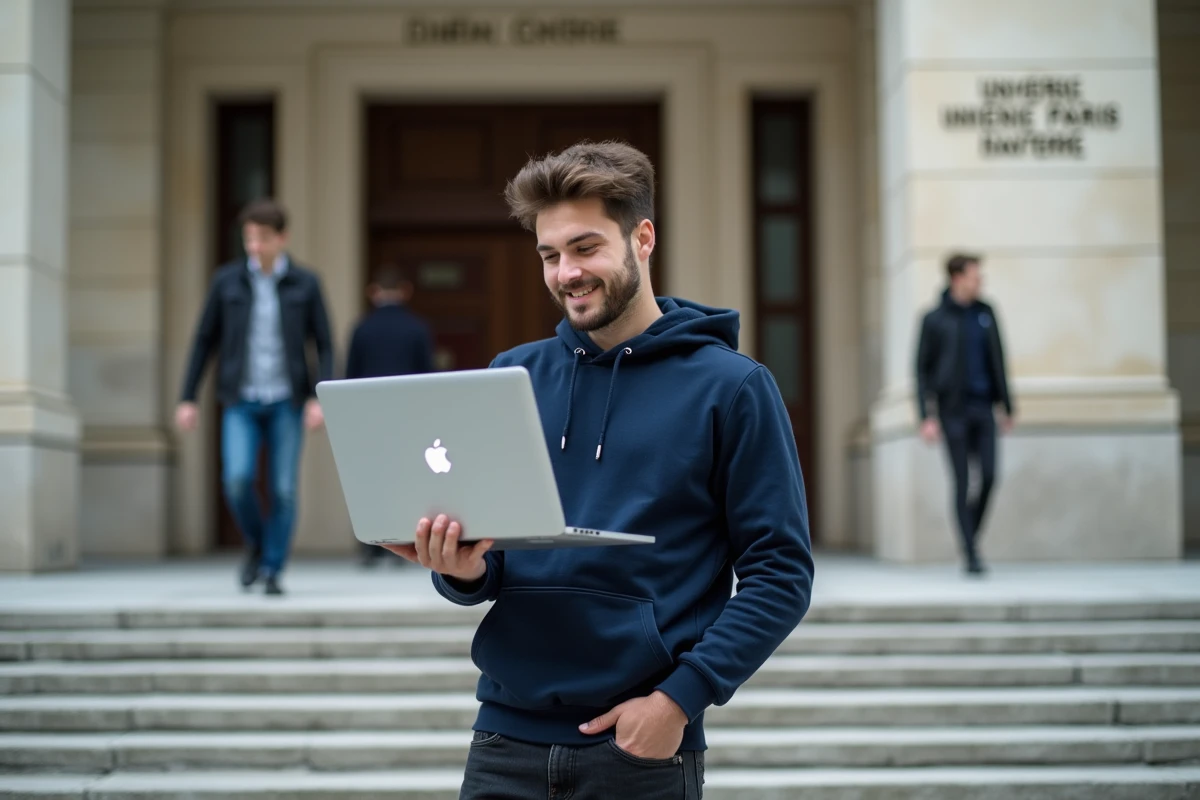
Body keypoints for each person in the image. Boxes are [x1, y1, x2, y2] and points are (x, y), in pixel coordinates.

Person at [383, 141, 814, 800]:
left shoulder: (732, 388)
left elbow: (780, 572)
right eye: (550, 256)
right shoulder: (510, 378)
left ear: (642, 238)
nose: (565, 273)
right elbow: (495, 560)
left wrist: (678, 702)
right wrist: (461, 567)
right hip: (504, 738)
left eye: (585, 248)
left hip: (639, 749)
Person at [175, 198, 334, 596]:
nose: (255, 246)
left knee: (283, 489)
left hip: (287, 401)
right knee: (237, 479)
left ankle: (272, 568)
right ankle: (257, 543)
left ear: (282, 238)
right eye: (249, 238)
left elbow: (326, 344)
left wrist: (320, 397)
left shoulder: (306, 282)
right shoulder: (226, 281)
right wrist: (187, 397)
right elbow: (203, 340)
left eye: (263, 238)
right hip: (241, 400)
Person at [915, 253, 1015, 576]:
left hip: (983, 407)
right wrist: (925, 416)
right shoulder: (934, 319)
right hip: (951, 411)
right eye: (975, 276)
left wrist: (1007, 405)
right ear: (957, 278)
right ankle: (971, 552)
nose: (980, 281)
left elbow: (998, 360)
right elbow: (921, 370)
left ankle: (969, 534)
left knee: (989, 476)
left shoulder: (986, 313)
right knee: (961, 482)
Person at [345, 264, 436, 566]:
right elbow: (428, 376)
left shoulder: (362, 328)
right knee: (407, 480)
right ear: (405, 291)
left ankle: (372, 547)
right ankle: (404, 543)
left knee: (373, 480)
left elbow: (350, 375)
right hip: (408, 414)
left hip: (370, 415)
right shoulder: (417, 327)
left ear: (373, 293)